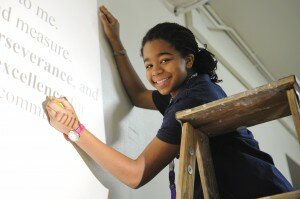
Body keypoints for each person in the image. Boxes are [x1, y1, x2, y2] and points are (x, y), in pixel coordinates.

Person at [45, 5, 294, 198]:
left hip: (260, 193)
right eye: (149, 64)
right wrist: (116, 43)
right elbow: (138, 95)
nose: (155, 72)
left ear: (188, 60)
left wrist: (75, 129)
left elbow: (136, 174)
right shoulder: (188, 90)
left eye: (164, 60)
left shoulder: (193, 98)